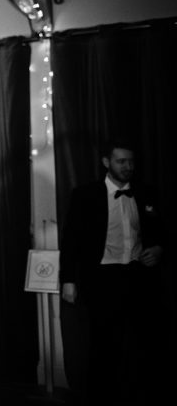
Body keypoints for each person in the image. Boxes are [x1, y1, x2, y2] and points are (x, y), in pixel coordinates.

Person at [59, 139, 167, 405]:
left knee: (143, 342)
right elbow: (71, 239)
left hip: (138, 275)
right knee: (103, 343)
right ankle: (101, 397)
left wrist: (159, 249)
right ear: (106, 163)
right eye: (121, 161)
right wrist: (69, 280)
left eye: (131, 161)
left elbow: (161, 230)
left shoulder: (147, 192)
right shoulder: (85, 194)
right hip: (102, 279)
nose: (128, 166)